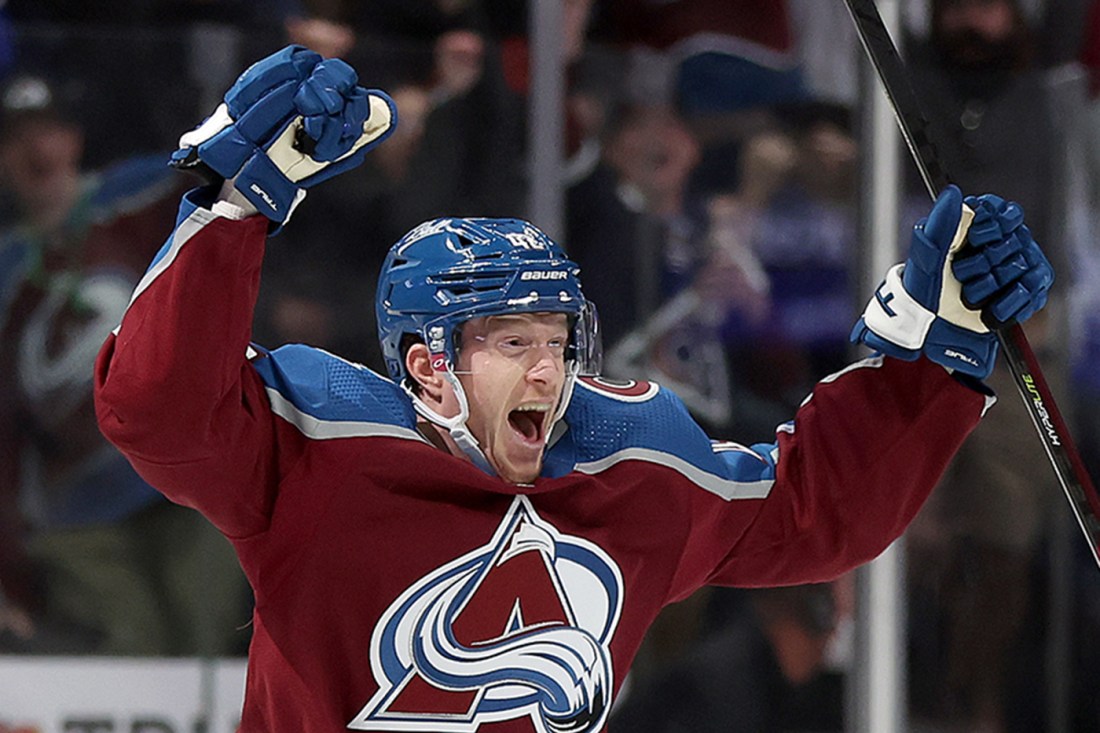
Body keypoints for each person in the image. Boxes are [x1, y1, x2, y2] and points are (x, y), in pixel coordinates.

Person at [93, 45, 1053, 731]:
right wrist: (228, 205)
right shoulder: (321, 450)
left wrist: (935, 344)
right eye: (512, 341)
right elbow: (160, 411)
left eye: (558, 339)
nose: (548, 370)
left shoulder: (631, 465)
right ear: (427, 366)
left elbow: (815, 507)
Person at [0, 74, 247, 655]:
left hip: (187, 472)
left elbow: (225, 181)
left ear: (75, 139)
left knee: (209, 644)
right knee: (133, 653)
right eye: (18, 138)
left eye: (50, 132)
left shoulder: (138, 193)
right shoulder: (7, 268)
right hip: (75, 507)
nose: (39, 150)